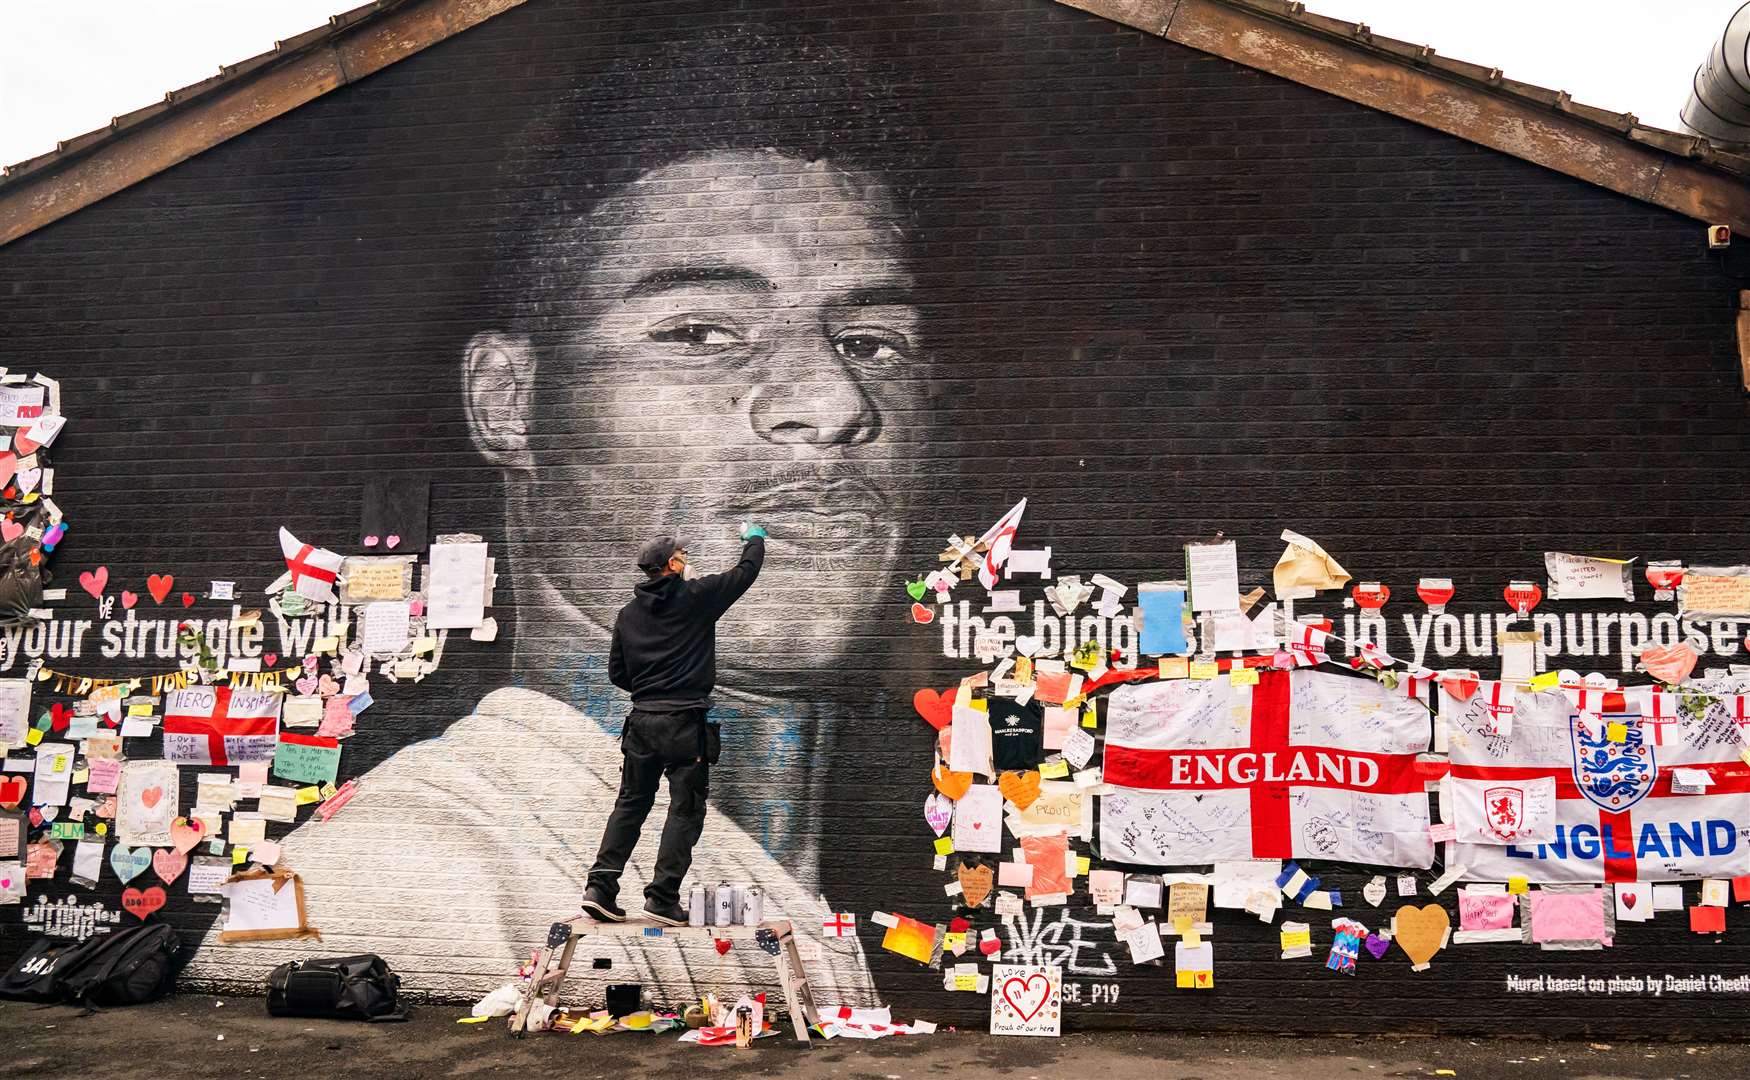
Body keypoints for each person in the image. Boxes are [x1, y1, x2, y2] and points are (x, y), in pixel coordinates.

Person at [185, 27, 925, 1007]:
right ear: (509, 403)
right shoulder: (406, 884)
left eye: (872, 340)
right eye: (702, 332)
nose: (833, 403)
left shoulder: (817, 885)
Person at [583, 527, 767, 924]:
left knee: (631, 804)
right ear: (672, 564)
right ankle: (662, 897)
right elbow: (746, 572)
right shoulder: (696, 597)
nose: (686, 559)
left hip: (642, 723)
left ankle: (599, 887)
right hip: (684, 724)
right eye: (682, 554)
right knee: (685, 810)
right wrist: (754, 539)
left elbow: (617, 672)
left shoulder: (627, 615)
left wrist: (651, 689)